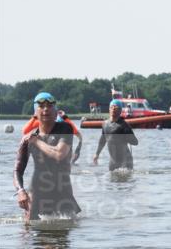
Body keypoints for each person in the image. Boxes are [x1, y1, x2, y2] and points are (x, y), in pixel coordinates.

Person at [13, 92, 81, 220]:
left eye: (50, 106)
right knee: (29, 232)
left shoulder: (65, 129)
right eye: (41, 106)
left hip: (63, 191)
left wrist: (37, 141)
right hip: (37, 192)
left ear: (56, 113)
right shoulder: (27, 139)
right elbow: (17, 170)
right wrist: (20, 191)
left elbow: (59, 154)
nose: (45, 109)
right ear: (35, 114)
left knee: (66, 234)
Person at [93, 99, 139, 170]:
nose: (113, 109)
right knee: (111, 179)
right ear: (109, 109)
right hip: (113, 161)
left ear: (120, 111)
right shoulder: (105, 124)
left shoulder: (124, 125)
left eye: (116, 108)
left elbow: (135, 142)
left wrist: (127, 135)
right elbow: (102, 140)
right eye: (112, 107)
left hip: (125, 160)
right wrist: (97, 154)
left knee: (125, 178)